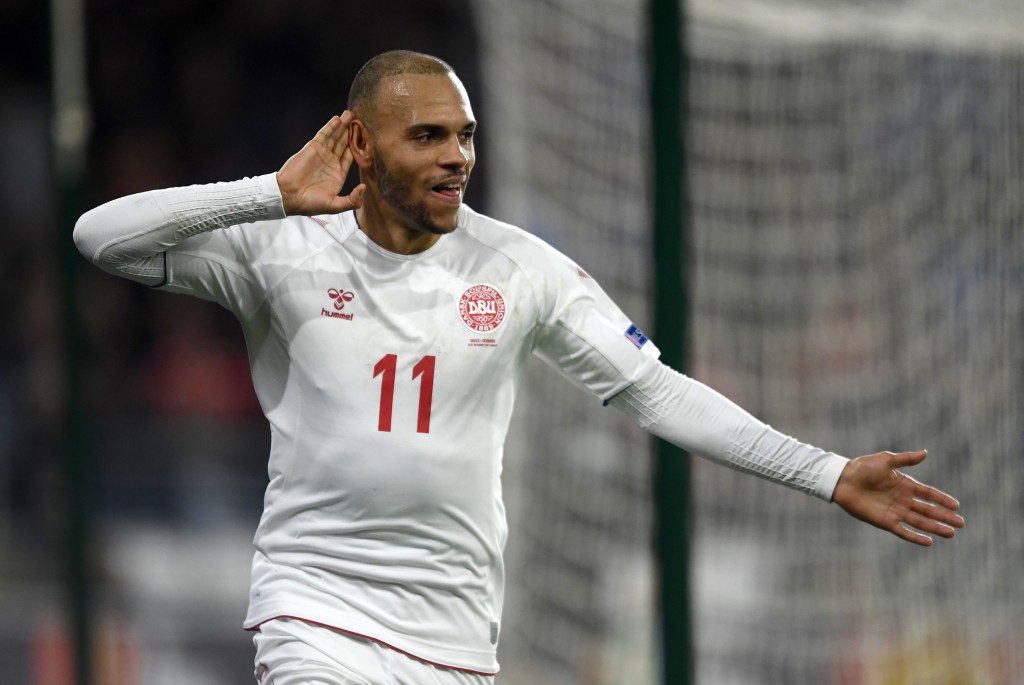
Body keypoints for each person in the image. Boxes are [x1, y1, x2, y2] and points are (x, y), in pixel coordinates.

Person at [74, 50, 964, 685]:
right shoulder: (279, 251)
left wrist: (825, 471)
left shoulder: (520, 268)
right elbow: (99, 237)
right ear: (360, 142)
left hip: (457, 638)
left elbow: (653, 389)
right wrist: (267, 192)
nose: (456, 156)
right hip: (317, 611)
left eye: (463, 135)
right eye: (426, 136)